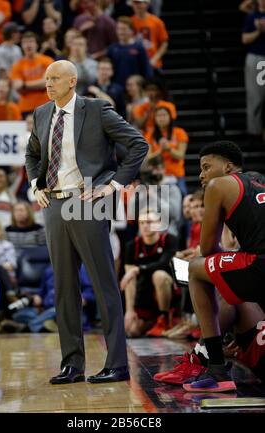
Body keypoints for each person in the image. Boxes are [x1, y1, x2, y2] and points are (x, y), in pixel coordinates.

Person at [25, 60, 148, 384]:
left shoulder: (97, 109)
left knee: (103, 282)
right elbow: (32, 154)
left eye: (54, 78)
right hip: (54, 202)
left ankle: (117, 363)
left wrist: (114, 184)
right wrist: (35, 185)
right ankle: (72, 364)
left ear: (72, 81)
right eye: (46, 78)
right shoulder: (40, 113)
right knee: (64, 289)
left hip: (88, 200)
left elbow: (138, 144)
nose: (48, 83)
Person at [185, 141, 265, 392]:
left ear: (228, 166)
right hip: (255, 262)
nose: (202, 174)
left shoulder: (219, 185)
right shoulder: (259, 179)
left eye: (207, 166)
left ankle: (216, 366)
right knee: (230, 283)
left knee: (197, 269)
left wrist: (222, 264)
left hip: (259, 262)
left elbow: (208, 249)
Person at [122, 209, 178, 337]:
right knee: (132, 331)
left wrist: (138, 269)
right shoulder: (132, 246)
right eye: (141, 223)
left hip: (167, 294)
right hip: (144, 296)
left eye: (149, 222)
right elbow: (128, 281)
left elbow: (164, 263)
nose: (145, 226)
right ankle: (152, 322)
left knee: (159, 275)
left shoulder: (169, 240)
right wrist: (130, 311)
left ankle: (165, 319)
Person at [10, 31, 54, 117]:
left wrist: (24, 85)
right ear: (22, 46)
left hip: (46, 106)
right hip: (26, 108)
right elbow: (17, 86)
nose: (28, 45)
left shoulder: (47, 60)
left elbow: (46, 82)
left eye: (31, 41)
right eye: (25, 42)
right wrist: (37, 84)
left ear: (37, 44)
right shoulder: (17, 65)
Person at [242, 0, 265, 142]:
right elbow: (245, 39)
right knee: (256, 96)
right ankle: (254, 132)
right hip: (258, 59)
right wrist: (259, 31)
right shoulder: (252, 16)